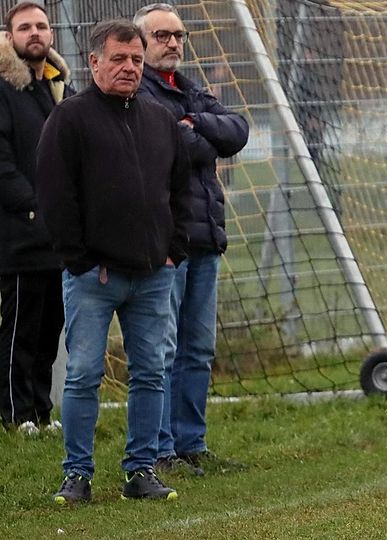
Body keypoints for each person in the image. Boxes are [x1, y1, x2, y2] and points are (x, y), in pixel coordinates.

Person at [35, 19, 191, 503]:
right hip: (94, 278)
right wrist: (80, 260)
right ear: (95, 62)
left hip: (153, 276)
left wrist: (172, 251)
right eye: (119, 58)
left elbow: (181, 191)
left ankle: (140, 472)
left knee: (150, 372)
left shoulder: (160, 120)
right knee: (84, 375)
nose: (129, 67)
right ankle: (77, 475)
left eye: (136, 60)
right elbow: (54, 195)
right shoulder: (69, 119)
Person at [134, 2, 249, 476]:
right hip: (167, 242)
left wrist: (197, 123)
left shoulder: (188, 90)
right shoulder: (138, 92)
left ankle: (191, 443)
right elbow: (168, 146)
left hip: (206, 237)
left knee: (198, 348)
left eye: (178, 35)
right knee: (161, 348)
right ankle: (160, 449)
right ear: (141, 43)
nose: (173, 43)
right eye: (162, 35)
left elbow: (238, 129)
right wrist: (202, 137)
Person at [0, 1, 73, 435]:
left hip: (58, 237)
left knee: (49, 332)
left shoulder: (57, 86)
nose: (35, 33)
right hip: (19, 235)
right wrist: (32, 206)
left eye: (41, 26)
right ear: (9, 36)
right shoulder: (3, 88)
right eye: (25, 27)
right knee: (20, 330)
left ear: (51, 34)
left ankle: (42, 412)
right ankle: (15, 413)